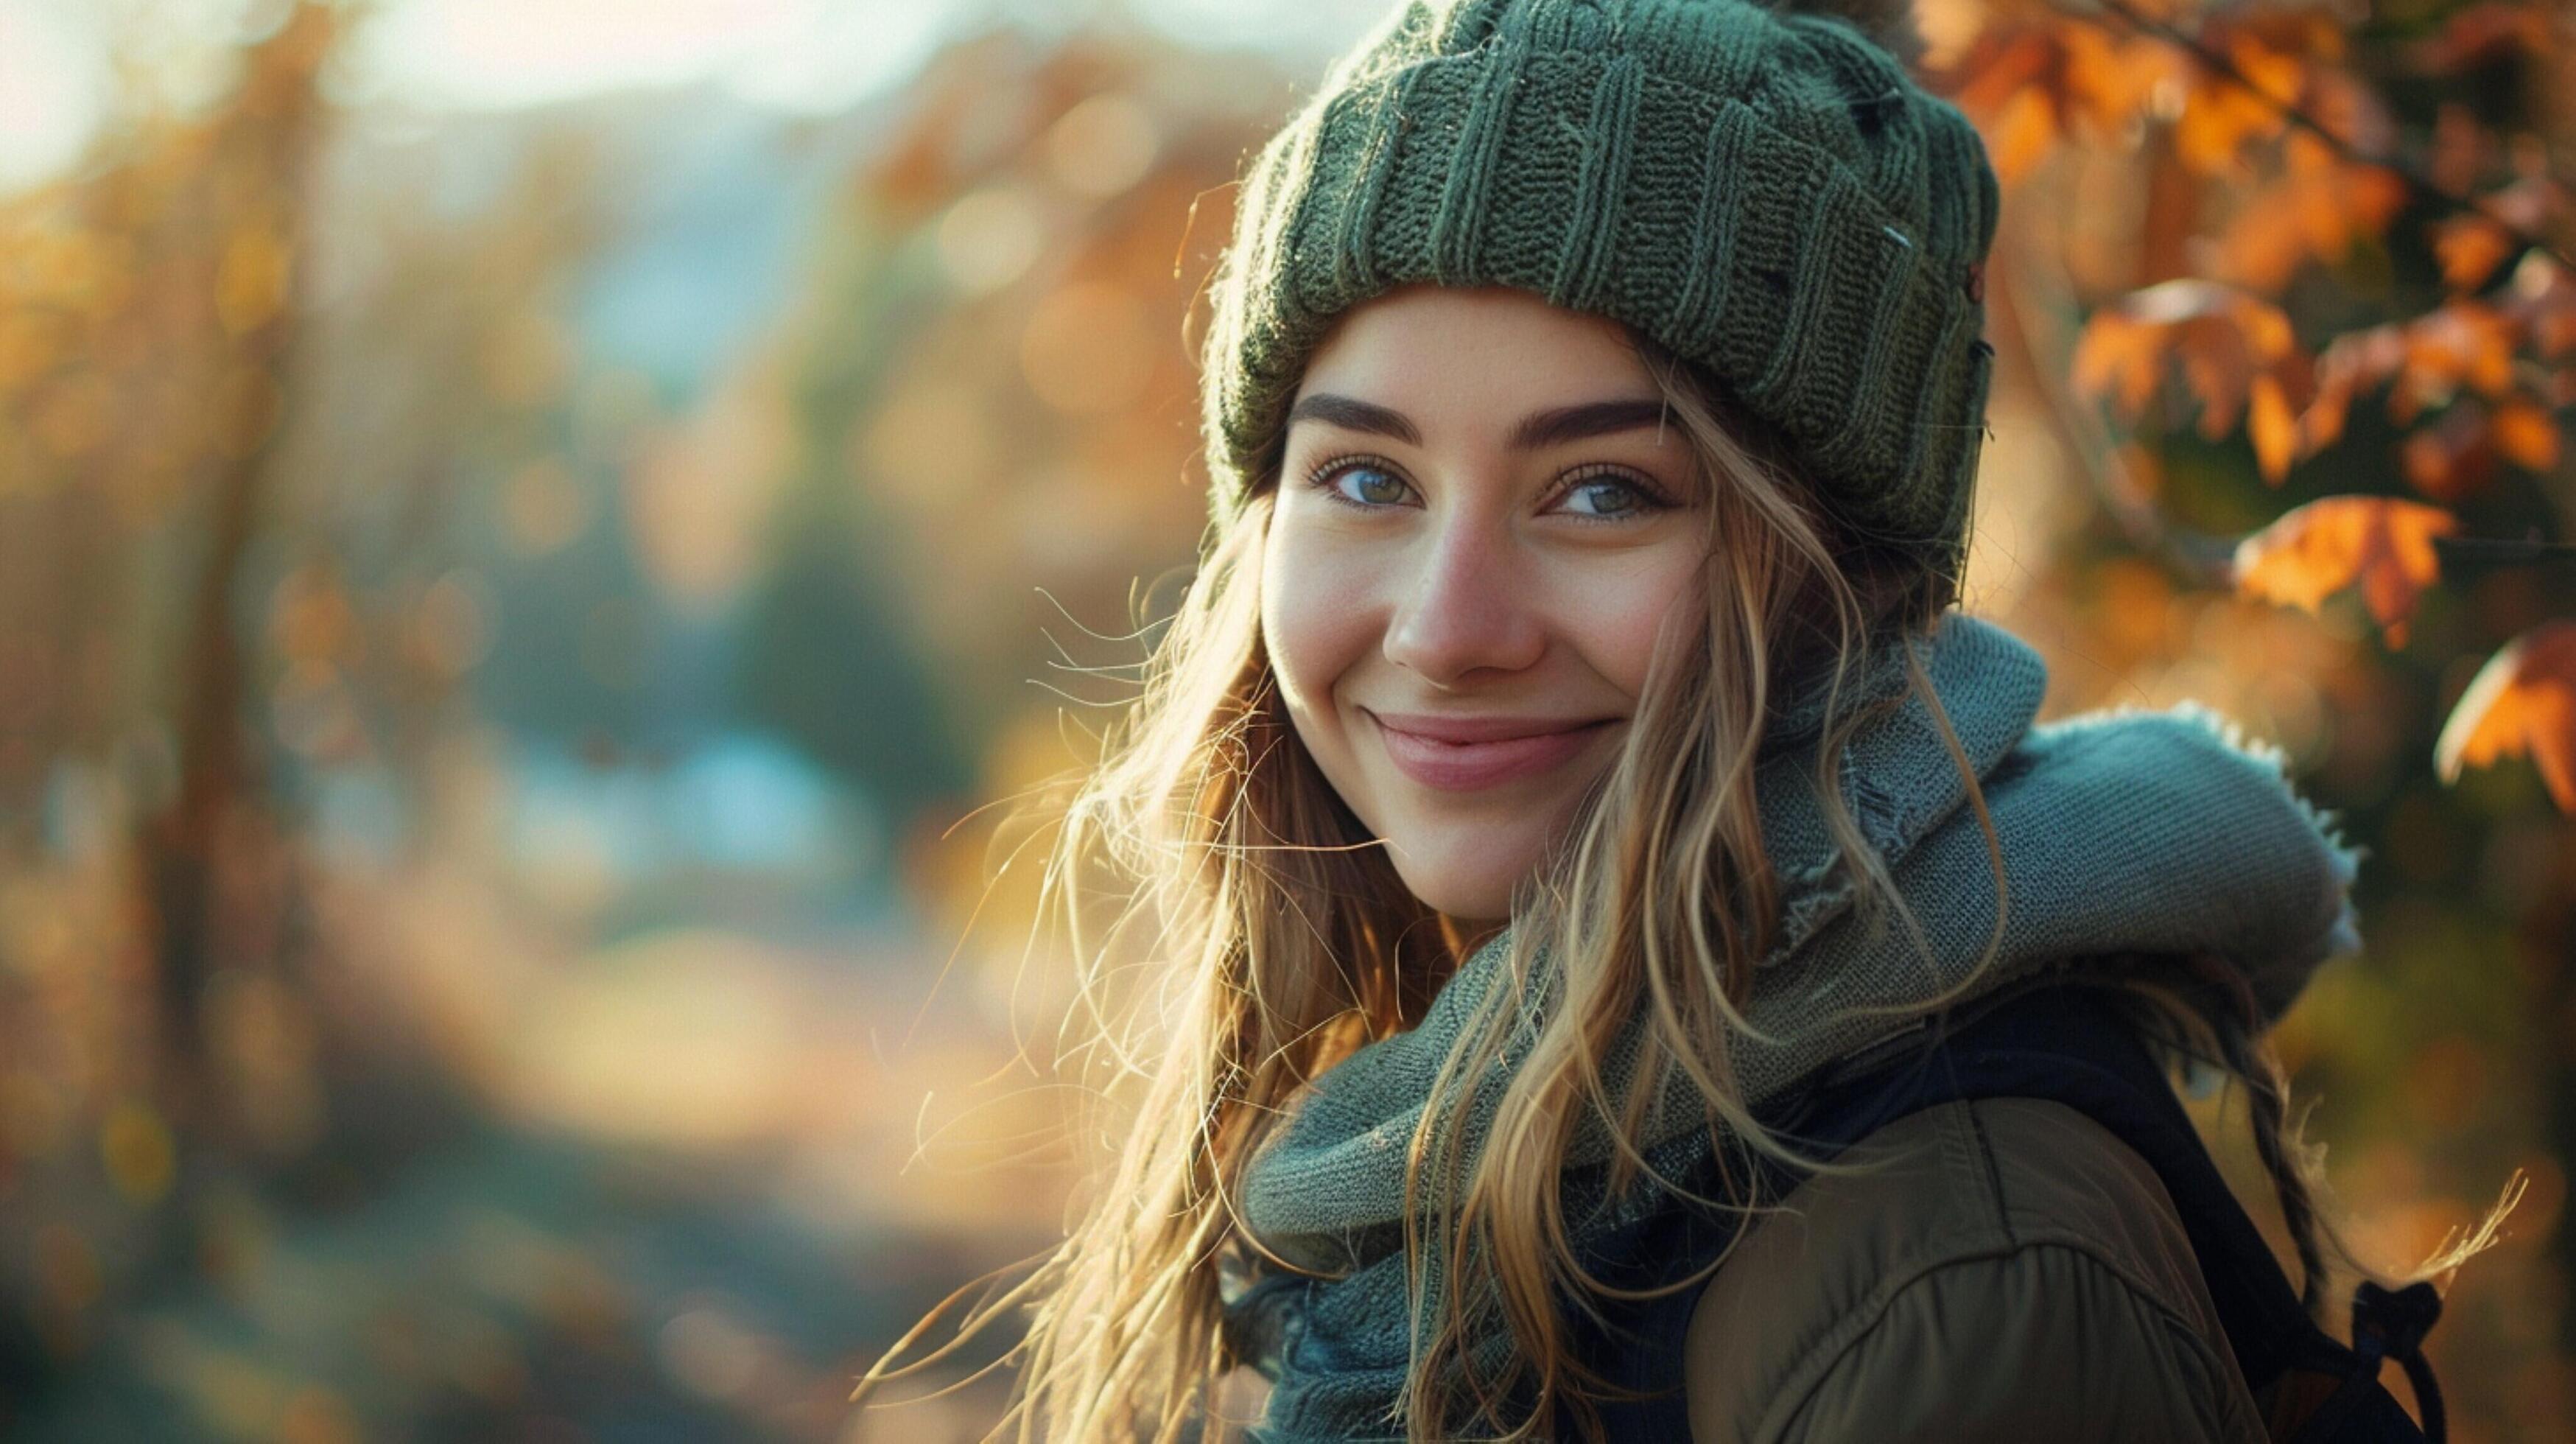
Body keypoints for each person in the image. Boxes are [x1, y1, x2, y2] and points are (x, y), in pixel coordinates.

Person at [860, 0, 2492, 1438]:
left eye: (1599, 490)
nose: (1446, 626)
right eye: (1366, 475)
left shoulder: (1945, 1255)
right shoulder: (1449, 1139)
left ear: (1833, 575)